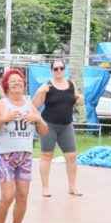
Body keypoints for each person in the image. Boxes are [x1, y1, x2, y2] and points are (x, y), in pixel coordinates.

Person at [0, 69, 48, 223]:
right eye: (13, 82)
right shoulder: (2, 105)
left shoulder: (29, 105)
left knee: (23, 196)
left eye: (20, 81)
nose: (17, 84)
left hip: (25, 156)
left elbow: (44, 131)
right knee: (7, 196)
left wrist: (38, 119)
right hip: (5, 156)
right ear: (6, 86)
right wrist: (3, 119)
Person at [32, 59, 82, 197]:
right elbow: (34, 105)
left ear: (64, 69)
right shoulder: (47, 85)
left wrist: (80, 98)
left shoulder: (71, 84)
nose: (59, 71)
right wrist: (40, 92)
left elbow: (77, 100)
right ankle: (45, 188)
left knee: (71, 156)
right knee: (46, 155)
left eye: (61, 68)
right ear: (51, 70)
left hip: (66, 125)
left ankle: (72, 187)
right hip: (49, 125)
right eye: (56, 69)